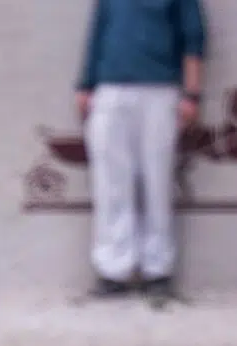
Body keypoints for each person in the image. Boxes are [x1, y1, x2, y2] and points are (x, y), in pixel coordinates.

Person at [74, 0, 206, 303]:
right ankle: (113, 269)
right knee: (111, 182)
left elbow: (194, 39)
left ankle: (158, 270)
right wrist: (85, 84)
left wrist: (192, 93)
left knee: (157, 181)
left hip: (160, 91)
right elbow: (98, 34)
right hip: (110, 89)